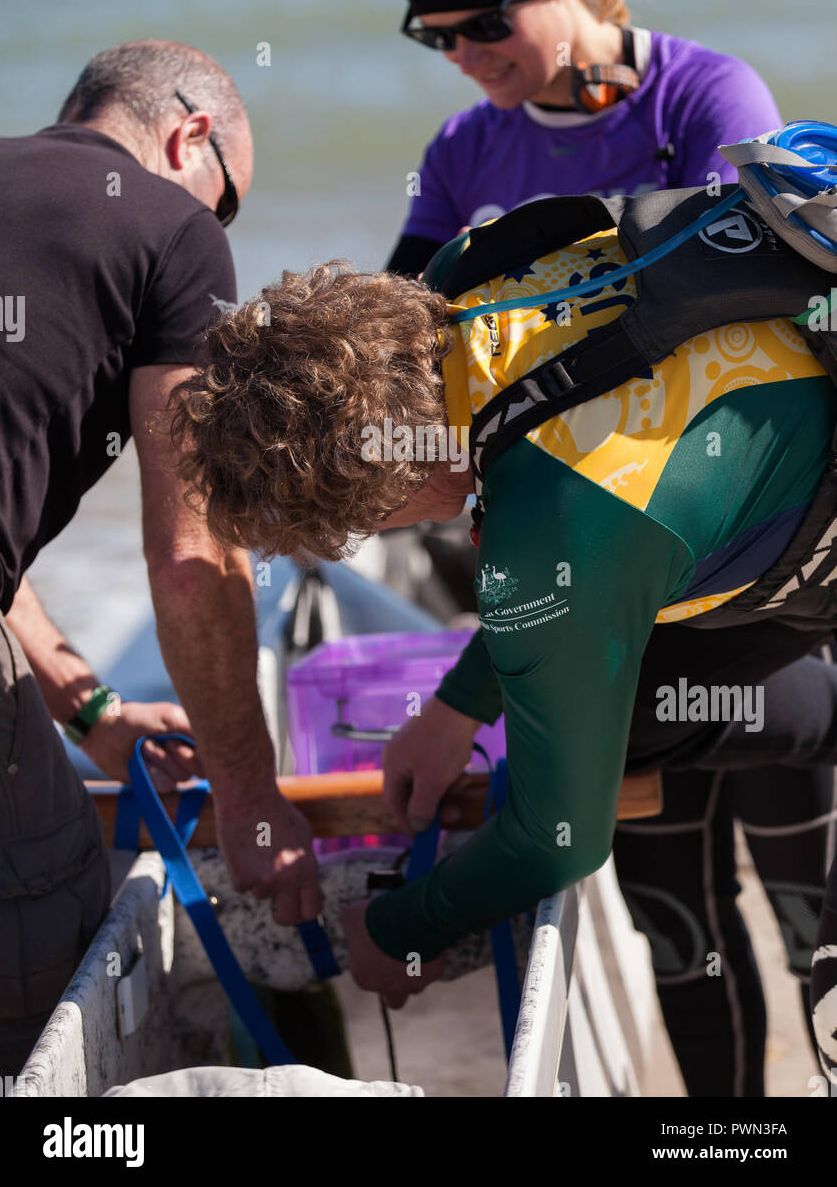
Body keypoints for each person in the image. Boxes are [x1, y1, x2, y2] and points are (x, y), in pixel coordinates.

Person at [169, 156, 837, 1084]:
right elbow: (576, 549)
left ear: (390, 480)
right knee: (627, 718)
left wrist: (403, 927)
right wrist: (456, 706)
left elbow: (562, 836)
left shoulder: (560, 513)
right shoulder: (466, 276)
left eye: (364, 521)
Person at [384, 0, 826, 1097]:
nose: (466, 52)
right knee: (678, 941)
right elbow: (388, 342)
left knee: (809, 920)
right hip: (595, 585)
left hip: (746, 574)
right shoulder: (464, 150)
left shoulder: (701, 96)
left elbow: (760, 324)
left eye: (485, 22)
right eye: (435, 34)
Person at [0, 41, 321, 1077]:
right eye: (226, 203)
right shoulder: (170, 229)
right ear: (190, 136)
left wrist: (89, 709)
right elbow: (190, 549)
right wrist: (252, 797)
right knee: (54, 948)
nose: (217, 229)